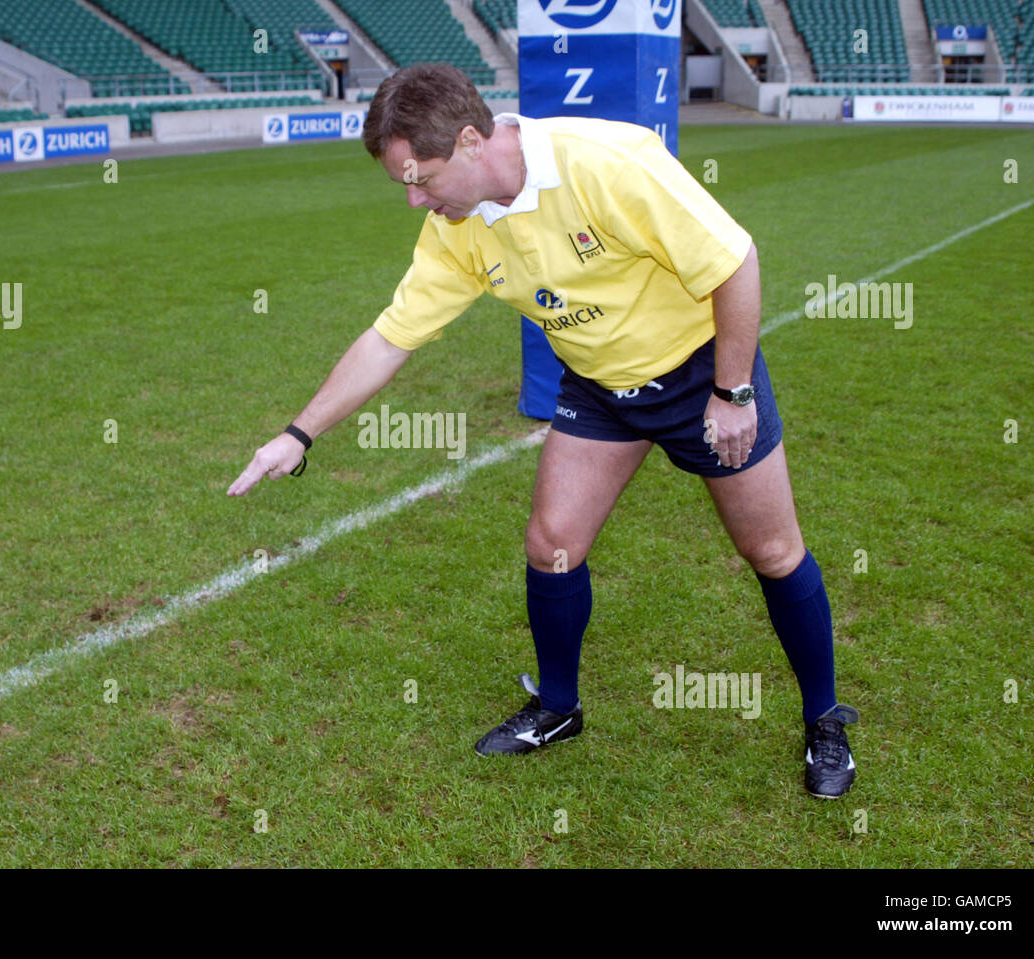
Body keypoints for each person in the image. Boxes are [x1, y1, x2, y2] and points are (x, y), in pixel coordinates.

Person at [228, 63, 859, 799]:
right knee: (552, 543)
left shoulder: (604, 164)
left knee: (774, 550)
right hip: (599, 387)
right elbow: (389, 338)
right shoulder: (455, 227)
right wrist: (297, 434)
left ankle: (825, 719)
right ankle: (559, 706)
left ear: (471, 141)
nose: (413, 199)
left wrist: (732, 389)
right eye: (403, 182)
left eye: (422, 178)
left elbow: (735, 260)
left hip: (699, 375)